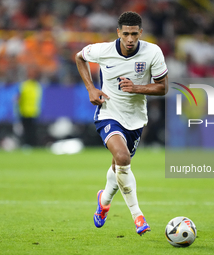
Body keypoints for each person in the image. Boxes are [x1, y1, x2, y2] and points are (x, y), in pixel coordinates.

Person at [75, 11, 168, 236]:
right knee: (123, 158)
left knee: (119, 167)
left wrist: (136, 87)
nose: (129, 39)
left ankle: (104, 201)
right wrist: (90, 88)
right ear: (118, 32)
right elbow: (80, 57)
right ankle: (138, 216)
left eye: (134, 34)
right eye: (125, 34)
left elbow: (163, 87)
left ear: (140, 33)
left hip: (136, 119)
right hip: (108, 113)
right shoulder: (102, 50)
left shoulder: (153, 52)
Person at [17, 66, 42, 147]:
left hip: (26, 111)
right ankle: (32, 144)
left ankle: (28, 144)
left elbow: (19, 98)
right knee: (32, 130)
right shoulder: (37, 86)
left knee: (27, 130)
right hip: (33, 111)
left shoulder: (24, 85)